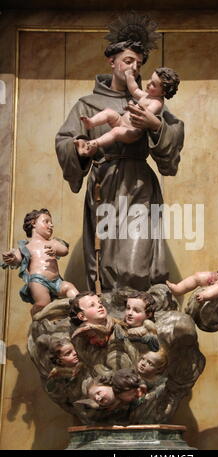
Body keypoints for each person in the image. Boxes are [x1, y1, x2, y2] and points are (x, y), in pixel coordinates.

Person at [55, 13, 184, 292]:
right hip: (104, 182)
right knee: (107, 260)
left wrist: (155, 126)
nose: (133, 68)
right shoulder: (87, 104)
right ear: (111, 62)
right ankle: (109, 310)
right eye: (128, 61)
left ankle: (136, 308)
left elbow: (172, 146)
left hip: (138, 183)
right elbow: (65, 140)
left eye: (138, 64)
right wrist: (79, 148)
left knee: (135, 260)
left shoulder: (149, 101)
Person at [79, 66, 180, 150]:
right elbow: (134, 89)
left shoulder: (157, 103)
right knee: (108, 112)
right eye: (150, 79)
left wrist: (132, 108)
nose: (149, 83)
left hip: (132, 131)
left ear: (163, 92)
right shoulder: (147, 96)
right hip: (122, 121)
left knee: (116, 132)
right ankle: (91, 122)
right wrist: (129, 76)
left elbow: (145, 115)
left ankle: (95, 143)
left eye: (153, 84)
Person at [1, 208, 78, 316]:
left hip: (57, 281)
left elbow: (64, 250)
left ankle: (78, 310)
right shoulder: (26, 246)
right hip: (38, 280)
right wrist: (12, 258)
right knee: (43, 303)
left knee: (70, 288)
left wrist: (55, 250)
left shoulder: (52, 242)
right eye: (46, 221)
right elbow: (17, 259)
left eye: (51, 223)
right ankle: (36, 319)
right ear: (33, 223)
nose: (51, 225)